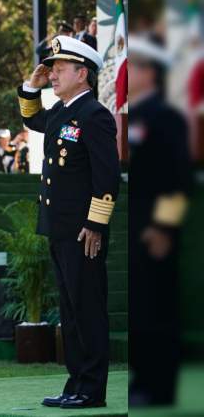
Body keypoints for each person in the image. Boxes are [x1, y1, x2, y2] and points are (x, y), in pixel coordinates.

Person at [18, 35, 120, 409]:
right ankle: (76, 382)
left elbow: (106, 177)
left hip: (82, 230)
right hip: (59, 227)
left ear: (83, 74)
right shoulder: (62, 112)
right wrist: (33, 85)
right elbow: (30, 116)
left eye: (60, 69)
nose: (53, 74)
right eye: (52, 68)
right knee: (71, 311)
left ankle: (92, 389)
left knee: (87, 309)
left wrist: (96, 224)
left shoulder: (94, 115)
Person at [127, 34, 192, 407]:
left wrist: (165, 227)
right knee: (140, 307)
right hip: (135, 222)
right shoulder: (134, 116)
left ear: (150, 72)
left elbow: (178, 178)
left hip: (156, 227)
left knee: (158, 308)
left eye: (132, 65)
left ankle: (159, 387)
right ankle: (141, 380)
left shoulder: (166, 118)